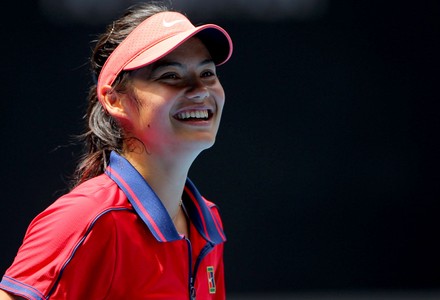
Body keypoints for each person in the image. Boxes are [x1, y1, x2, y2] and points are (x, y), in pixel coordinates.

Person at [0, 2, 233, 299]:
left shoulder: (207, 223)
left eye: (208, 73)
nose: (199, 90)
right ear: (115, 100)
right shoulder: (85, 218)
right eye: (170, 76)